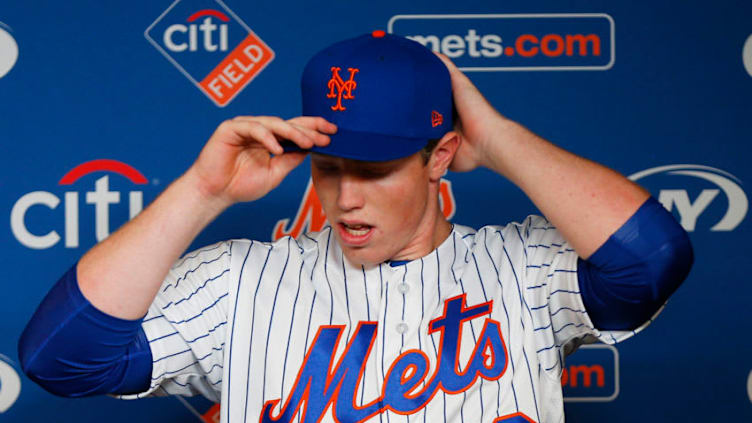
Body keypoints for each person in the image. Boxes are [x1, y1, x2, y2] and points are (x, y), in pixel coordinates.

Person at [18, 32, 692, 423]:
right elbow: (62, 358)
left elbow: (651, 258)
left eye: (374, 169)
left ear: (442, 157)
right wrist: (201, 192)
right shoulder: (239, 279)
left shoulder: (525, 265)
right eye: (330, 167)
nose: (345, 198)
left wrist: (503, 139)